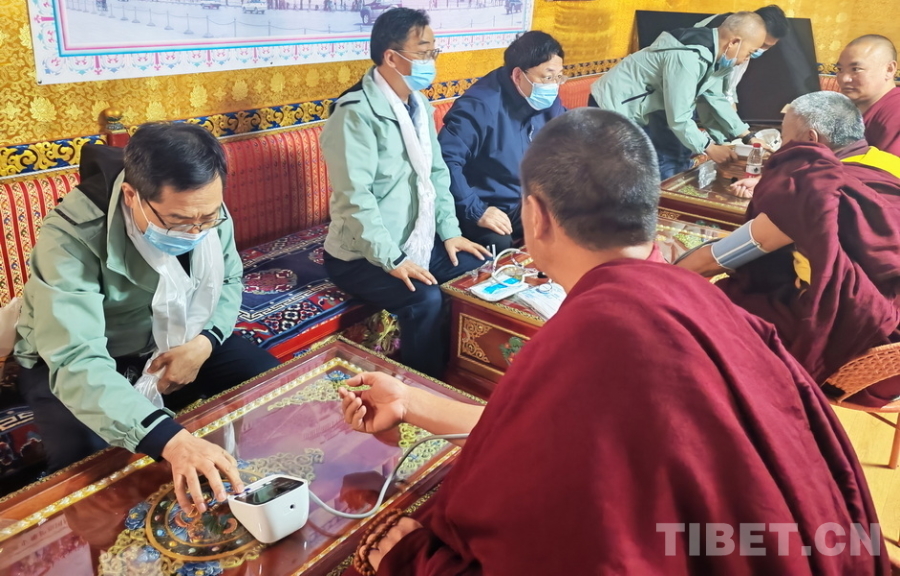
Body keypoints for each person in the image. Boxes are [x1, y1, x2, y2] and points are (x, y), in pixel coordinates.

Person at [337, 109, 887, 575]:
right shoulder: (705, 299)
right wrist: (409, 402)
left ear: (535, 217)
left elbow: (559, 541)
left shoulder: (592, 336)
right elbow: (537, 432)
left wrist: (415, 561)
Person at [14, 123, 280, 513]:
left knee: (265, 381)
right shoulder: (71, 235)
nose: (196, 231)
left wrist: (203, 344)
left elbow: (229, 279)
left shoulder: (205, 210)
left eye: (207, 218)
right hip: (85, 356)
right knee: (87, 466)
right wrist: (172, 440)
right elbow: (75, 358)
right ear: (131, 196)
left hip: (179, 334)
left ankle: (249, 493)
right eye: (178, 221)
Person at [677, 91, 900, 407]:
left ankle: (733, 409)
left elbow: (716, 259)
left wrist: (660, 279)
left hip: (862, 352)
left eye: (784, 140)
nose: (781, 150)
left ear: (811, 140)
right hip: (894, 354)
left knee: (710, 307)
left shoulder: (814, 188)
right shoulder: (888, 165)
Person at [321, 8, 489, 378]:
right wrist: (393, 258)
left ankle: (469, 371)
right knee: (424, 299)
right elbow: (355, 199)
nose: (432, 62)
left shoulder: (419, 105)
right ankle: (421, 387)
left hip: (416, 238)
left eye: (433, 52)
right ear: (392, 57)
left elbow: (436, 174)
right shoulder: (355, 114)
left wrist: (450, 232)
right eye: (424, 52)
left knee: (475, 266)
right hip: (361, 255)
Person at [589, 12, 768, 179]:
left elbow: (715, 99)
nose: (747, 59)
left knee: (649, 164)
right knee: (618, 173)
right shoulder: (688, 57)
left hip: (642, 108)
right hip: (611, 106)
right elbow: (679, 117)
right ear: (734, 42)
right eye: (750, 53)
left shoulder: (714, 56)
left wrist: (747, 136)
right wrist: (709, 147)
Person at [437, 31, 566, 252]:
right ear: (518, 75)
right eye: (548, 77)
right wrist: (476, 210)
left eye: (559, 77)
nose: (554, 85)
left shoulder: (546, 99)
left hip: (524, 199)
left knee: (573, 220)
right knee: (498, 243)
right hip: (484, 205)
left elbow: (568, 133)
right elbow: (444, 161)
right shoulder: (480, 107)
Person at [694, 5, 791, 107]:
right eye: (762, 43)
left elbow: (729, 87)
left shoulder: (745, 46)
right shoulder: (708, 41)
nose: (759, 49)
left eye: (768, 46)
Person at [837, 35, 900, 156]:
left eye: (856, 69)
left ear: (889, 69)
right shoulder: (841, 109)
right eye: (840, 70)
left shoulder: (896, 112)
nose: (844, 79)